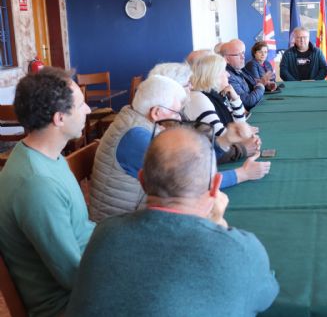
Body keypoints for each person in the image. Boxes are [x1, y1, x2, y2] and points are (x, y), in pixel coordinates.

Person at [66, 127, 279, 316]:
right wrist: (219, 224)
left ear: (142, 181)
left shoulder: (104, 233)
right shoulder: (240, 249)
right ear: (215, 186)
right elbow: (266, 296)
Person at [0, 68, 95, 316]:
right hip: (68, 304)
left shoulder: (46, 156)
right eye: (82, 104)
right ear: (59, 118)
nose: (88, 110)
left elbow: (80, 231)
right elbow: (73, 276)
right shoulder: (36, 184)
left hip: (87, 272)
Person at [90, 75, 186, 222]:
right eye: (175, 112)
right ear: (156, 113)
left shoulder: (132, 117)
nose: (179, 118)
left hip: (122, 219)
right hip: (118, 229)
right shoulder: (137, 136)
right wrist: (235, 175)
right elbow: (188, 181)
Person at [183, 54, 270, 184]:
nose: (228, 75)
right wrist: (245, 144)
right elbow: (224, 138)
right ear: (212, 75)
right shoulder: (199, 99)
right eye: (224, 71)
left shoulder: (215, 94)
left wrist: (235, 99)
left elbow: (240, 128)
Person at [222, 39, 269, 110]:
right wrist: (261, 87)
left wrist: (266, 85)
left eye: (243, 53)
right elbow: (248, 102)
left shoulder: (240, 69)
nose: (243, 57)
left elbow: (254, 84)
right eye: (238, 54)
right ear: (226, 59)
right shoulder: (228, 77)